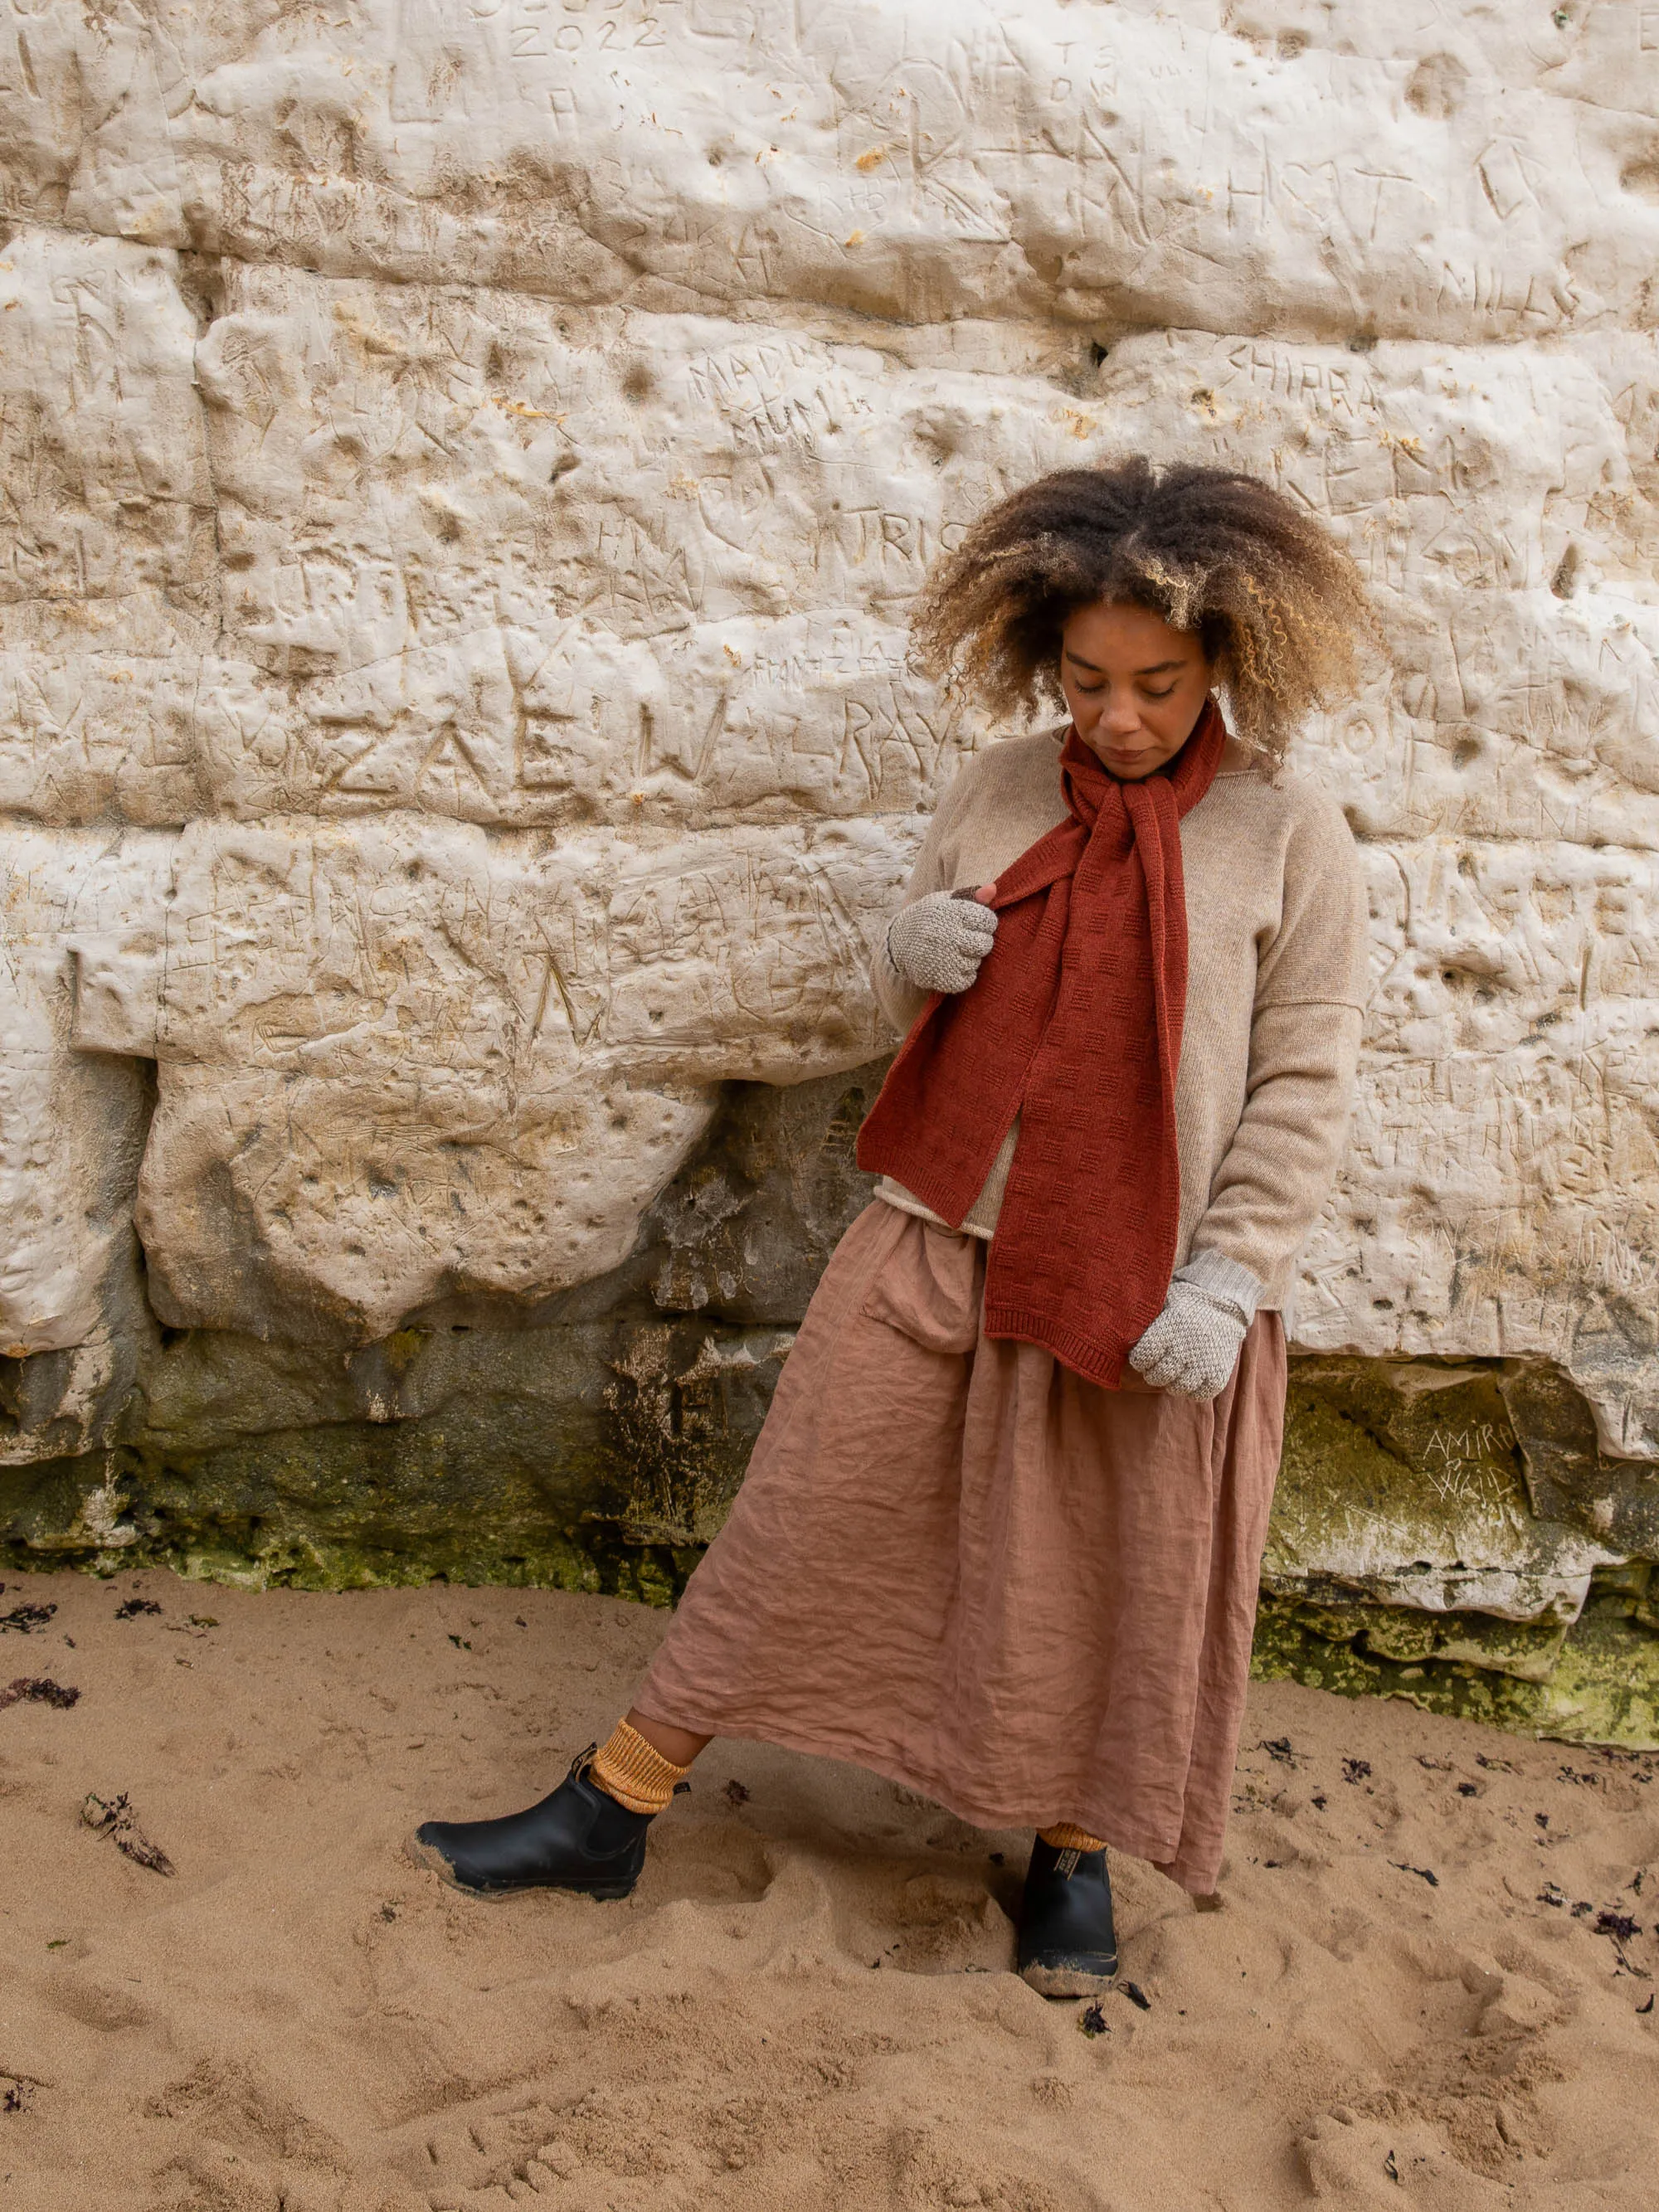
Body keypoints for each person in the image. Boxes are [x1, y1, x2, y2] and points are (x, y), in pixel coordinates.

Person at [411, 458, 1376, 1996]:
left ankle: (1072, 1855)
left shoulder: (1287, 830)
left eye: (1159, 684)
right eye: (1086, 680)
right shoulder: (997, 787)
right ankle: (613, 1805)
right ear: (1041, 657)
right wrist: (912, 954)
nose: (1118, 717)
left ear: (1225, 665)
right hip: (939, 1234)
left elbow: (1304, 1074)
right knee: (796, 1521)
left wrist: (1231, 1269)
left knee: (1109, 1575)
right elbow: (920, 1009)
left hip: (1149, 1286)